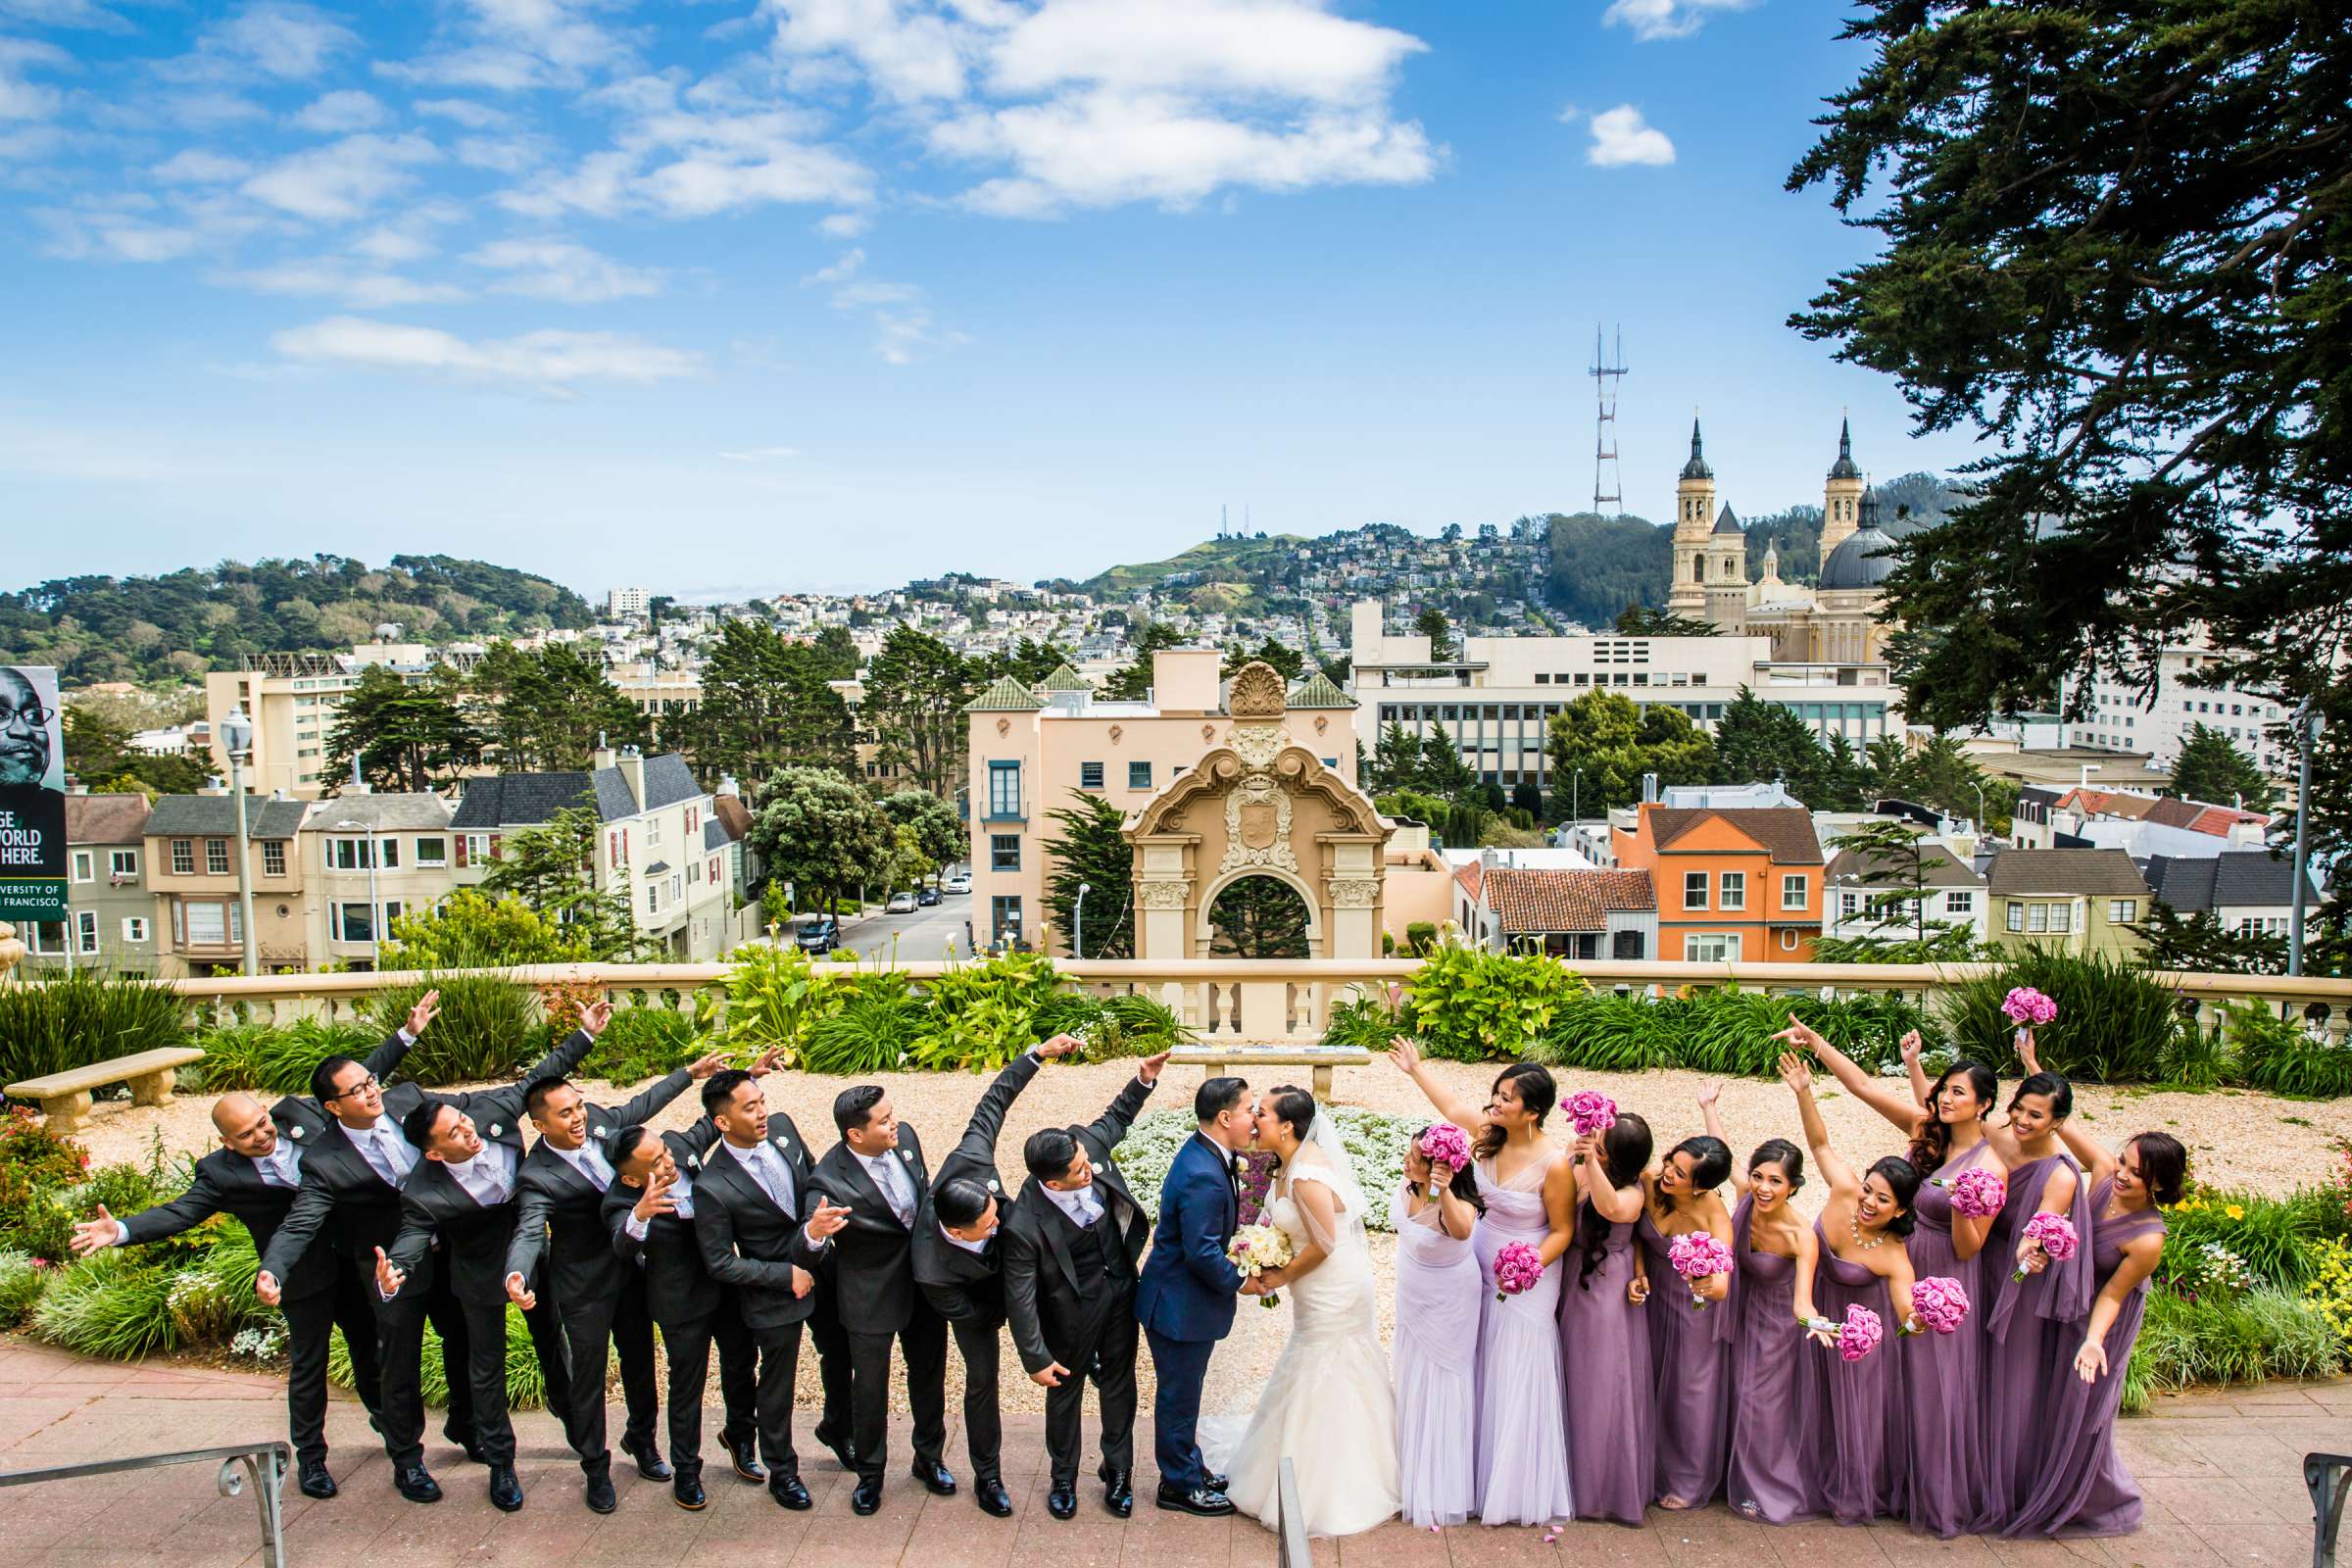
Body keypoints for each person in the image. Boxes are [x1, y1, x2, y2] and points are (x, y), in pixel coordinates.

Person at [257, 1001, 606, 1504]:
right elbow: (301, 1221)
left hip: (463, 1256)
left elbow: (523, 1088)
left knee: (473, 1349)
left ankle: (482, 1433)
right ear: (334, 1107)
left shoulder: (408, 1102)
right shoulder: (324, 1160)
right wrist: (275, 1269)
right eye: (357, 1090)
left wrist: (583, 1037)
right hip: (393, 1264)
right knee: (400, 1364)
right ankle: (408, 1460)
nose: (370, 1089)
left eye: (369, 1082)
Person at [1784, 1015, 2000, 1538]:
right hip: (1884, 1261)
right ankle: (1883, 1477)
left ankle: (1925, 1491)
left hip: (1939, 1271)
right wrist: (1817, 1044)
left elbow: (1972, 1249)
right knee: (1887, 1386)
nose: (1944, 1100)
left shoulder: (1989, 1165)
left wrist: (1966, 1208)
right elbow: (1861, 1088)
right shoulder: (1925, 1133)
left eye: (1957, 1093)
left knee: (1928, 1387)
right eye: (1943, 1089)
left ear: (1985, 1104)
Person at [504, 1055, 723, 1513]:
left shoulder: (601, 1123)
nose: (579, 1117)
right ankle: (595, 1468)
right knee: (588, 1380)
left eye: (579, 1106)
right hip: (584, 1285)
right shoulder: (536, 1175)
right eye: (565, 1113)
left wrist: (689, 1075)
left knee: (640, 1363)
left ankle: (641, 1442)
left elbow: (642, 1105)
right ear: (541, 1126)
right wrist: (517, 1272)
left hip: (634, 1273)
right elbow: (528, 1230)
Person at [1388, 1042, 1576, 1528]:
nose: (1495, 1102)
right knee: (1476, 1360)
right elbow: (1450, 1107)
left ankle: (1510, 1487)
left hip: (1528, 1271)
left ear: (1533, 1112)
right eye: (1496, 1092)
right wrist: (1415, 1069)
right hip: (1477, 1261)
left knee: (1513, 1366)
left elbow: (1563, 1231)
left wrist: (1528, 1267)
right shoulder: (1489, 1135)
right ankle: (1465, 1475)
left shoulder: (1554, 1163)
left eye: (1507, 1097)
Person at [1199, 1085, 1398, 1538]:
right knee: (1309, 1358)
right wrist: (1262, 1253)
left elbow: (1326, 1243)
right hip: (1314, 1283)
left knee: (1327, 1366)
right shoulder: (1282, 1167)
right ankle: (1288, 1464)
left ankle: (1334, 1483)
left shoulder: (1306, 1173)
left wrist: (1282, 1274)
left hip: (1335, 1287)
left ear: (1287, 1126)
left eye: (1262, 1113)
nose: (1254, 1118)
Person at [372, 1097, 579, 1514]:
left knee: (552, 1344)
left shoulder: (493, 1122)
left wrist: (586, 1035)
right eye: (454, 1132)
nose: (468, 1131)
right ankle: (501, 1464)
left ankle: (577, 1423)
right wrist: (393, 1271)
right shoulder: (424, 1190)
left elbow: (540, 1077)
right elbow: (412, 1239)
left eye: (463, 1121)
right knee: (487, 1369)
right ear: (433, 1152)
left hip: (533, 1260)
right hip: (478, 1276)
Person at [912, 1033, 1084, 1517]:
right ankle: (987, 1475)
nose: (999, 1219)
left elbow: (993, 1102)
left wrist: (1036, 1055)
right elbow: (967, 1311)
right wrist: (1007, 1310)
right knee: (982, 1381)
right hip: (973, 1306)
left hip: (1009, 1273)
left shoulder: (971, 1159)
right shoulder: (931, 1269)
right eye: (989, 1223)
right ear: (956, 1232)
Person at [998, 1047, 1165, 1521]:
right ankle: (1063, 1478)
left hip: (1120, 1294)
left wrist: (1143, 1080)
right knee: (1065, 1392)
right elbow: (1020, 1297)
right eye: (1077, 1172)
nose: (1088, 1168)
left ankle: (1118, 1474)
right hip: (1070, 1311)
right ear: (1051, 1183)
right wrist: (1035, 1357)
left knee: (1119, 1384)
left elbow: (1115, 1120)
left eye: (1085, 1160)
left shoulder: (1081, 1149)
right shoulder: (1024, 1224)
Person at [688, 1068, 851, 1513]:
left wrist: (820, 1230)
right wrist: (785, 1275)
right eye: (750, 1107)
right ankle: (783, 1470)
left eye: (761, 1101)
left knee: (840, 1352)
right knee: (777, 1386)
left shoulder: (782, 1129)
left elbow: (814, 1176)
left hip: (822, 1264)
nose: (763, 1113)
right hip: (774, 1289)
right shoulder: (712, 1186)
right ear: (722, 1122)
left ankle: (838, 1427)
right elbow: (720, 1261)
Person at [2005, 1126, 2180, 1538]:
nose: (2121, 1173)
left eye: (2135, 1172)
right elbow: (2060, 1124)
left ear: (2157, 1182)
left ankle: (2088, 1499)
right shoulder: (2103, 1177)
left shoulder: (2148, 1239)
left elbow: (2115, 1296)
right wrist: (2034, 1070)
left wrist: (2093, 1341)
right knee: (2045, 1397)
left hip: (2102, 1326)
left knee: (2081, 1413)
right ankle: (2034, 1483)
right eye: (2123, 1161)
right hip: (2067, 1303)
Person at [1783, 1050, 1917, 1526]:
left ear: (1900, 1211)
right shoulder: (1844, 1193)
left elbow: (1906, 1314)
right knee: (1795, 1400)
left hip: (1851, 1335)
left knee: (1849, 1411)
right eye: (1869, 1189)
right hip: (1803, 1304)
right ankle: (1793, 1478)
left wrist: (1921, 1320)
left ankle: (1848, 1484)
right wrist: (1804, 1092)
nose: (1869, 1202)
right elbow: (1819, 1144)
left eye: (1883, 1199)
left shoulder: (1895, 1255)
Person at [808, 1084, 952, 1515]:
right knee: (870, 1388)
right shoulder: (827, 1180)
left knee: (929, 1375)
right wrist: (815, 1233)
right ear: (855, 1134)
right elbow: (804, 1245)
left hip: (924, 1286)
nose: (896, 1124)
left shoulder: (905, 1139)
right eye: (885, 1120)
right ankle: (870, 1474)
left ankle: (929, 1457)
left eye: (893, 1115)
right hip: (869, 1295)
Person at [1698, 1090, 1831, 1523]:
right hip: (1739, 1310)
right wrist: (1710, 1108)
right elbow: (1725, 1154)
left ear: (1793, 1186)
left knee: (1761, 1406)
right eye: (1759, 1176)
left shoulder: (1800, 1236)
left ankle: (1763, 1488)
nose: (1763, 1187)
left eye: (1776, 1181)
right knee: (1732, 1393)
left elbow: (1802, 1301)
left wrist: (1817, 1323)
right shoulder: (1745, 1197)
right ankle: (1729, 1473)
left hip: (1777, 1327)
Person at [1977, 1032, 2091, 1528]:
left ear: (2058, 1122)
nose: (2022, 1121)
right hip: (1980, 1267)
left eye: (2036, 1116)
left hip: (2022, 1283)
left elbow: (2041, 1229)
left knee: (2012, 1384)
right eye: (2018, 1109)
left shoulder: (2061, 1175)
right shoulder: (2002, 1138)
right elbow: (1936, 1111)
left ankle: (2009, 1491)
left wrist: (2031, 1251)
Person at [1135, 1074, 1253, 1519]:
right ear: (1225, 1117)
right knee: (1178, 1398)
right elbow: (1201, 1253)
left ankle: (1189, 1465)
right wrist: (1244, 1281)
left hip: (1181, 1300)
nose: (1253, 1116)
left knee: (1185, 1394)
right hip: (1178, 1306)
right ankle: (1177, 1485)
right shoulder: (1203, 1173)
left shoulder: (1210, 1153)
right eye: (1248, 1109)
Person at [1560, 1109, 1655, 1526]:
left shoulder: (1634, 1190)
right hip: (1569, 1276)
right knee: (1565, 1372)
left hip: (1605, 1289)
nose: (1591, 1149)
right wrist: (1573, 1158)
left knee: (1598, 1382)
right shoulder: (1583, 1166)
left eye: (1600, 1148)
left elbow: (1612, 1208)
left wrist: (1589, 1165)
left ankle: (1597, 1486)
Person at [1390, 1116, 1484, 1532]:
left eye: (1415, 1158)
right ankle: (1410, 1469)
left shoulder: (1457, 1203)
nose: (1407, 1162)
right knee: (1412, 1379)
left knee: (1441, 1383)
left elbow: (1462, 1231)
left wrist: (1444, 1189)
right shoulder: (1411, 1186)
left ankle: (1440, 1487)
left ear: (1443, 1166)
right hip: (1413, 1300)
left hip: (1449, 1305)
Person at [1636, 1126, 1736, 1510]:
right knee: (1650, 1379)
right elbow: (1634, 1236)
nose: (1667, 1174)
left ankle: (1688, 1478)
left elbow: (1723, 1282)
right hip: (1651, 1295)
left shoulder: (1713, 1212)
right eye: (1671, 1162)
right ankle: (1646, 1468)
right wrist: (1639, 1268)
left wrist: (1704, 1277)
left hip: (1693, 1306)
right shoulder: (1649, 1182)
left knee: (1689, 1390)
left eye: (1679, 1174)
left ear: (1699, 1188)